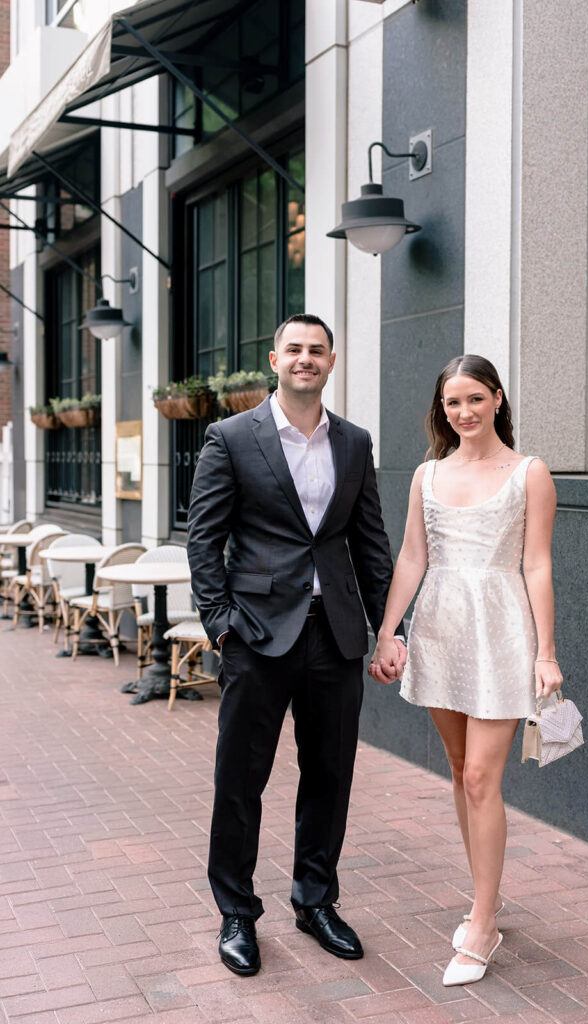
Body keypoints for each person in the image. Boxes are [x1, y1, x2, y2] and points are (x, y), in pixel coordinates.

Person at [187, 313, 406, 976]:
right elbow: (204, 539)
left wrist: (388, 630)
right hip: (256, 634)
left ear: (331, 362)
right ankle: (236, 914)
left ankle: (315, 902)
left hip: (335, 635)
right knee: (240, 778)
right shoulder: (231, 437)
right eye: (295, 349)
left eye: (317, 350)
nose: (306, 359)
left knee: (330, 776)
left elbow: (370, 543)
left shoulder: (354, 442)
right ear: (274, 358)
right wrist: (221, 622)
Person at [369, 354, 562, 987]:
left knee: (482, 776)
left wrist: (547, 652)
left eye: (476, 398)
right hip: (442, 630)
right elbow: (413, 558)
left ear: (498, 399)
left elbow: (537, 565)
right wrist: (389, 631)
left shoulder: (530, 473)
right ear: (442, 409)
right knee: (459, 771)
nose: (465, 412)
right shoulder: (426, 475)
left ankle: (482, 921)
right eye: (453, 402)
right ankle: (488, 892)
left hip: (503, 631)